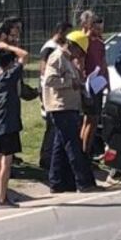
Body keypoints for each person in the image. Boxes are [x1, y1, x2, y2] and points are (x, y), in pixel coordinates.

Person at [42, 29, 99, 193]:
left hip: (69, 106)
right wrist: (71, 82)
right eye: (79, 52)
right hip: (60, 107)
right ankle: (83, 182)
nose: (79, 56)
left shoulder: (68, 59)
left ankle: (57, 182)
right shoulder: (57, 57)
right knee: (73, 145)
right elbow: (50, 80)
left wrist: (81, 84)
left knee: (60, 146)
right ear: (72, 46)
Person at [0, 45, 29, 209]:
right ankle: (2, 198)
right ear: (11, 63)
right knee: (6, 161)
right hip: (9, 123)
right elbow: (25, 55)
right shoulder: (9, 76)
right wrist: (7, 45)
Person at [38, 21, 72, 170]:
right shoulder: (50, 48)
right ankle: (46, 158)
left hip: (58, 90)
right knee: (51, 125)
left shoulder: (62, 48)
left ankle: (53, 157)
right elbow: (44, 70)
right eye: (67, 33)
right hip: (49, 90)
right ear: (60, 32)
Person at [79, 11, 108, 156]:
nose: (98, 31)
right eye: (96, 28)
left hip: (98, 84)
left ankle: (86, 151)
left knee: (93, 120)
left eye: (101, 29)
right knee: (91, 118)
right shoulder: (85, 42)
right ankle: (84, 152)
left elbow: (103, 63)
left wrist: (106, 81)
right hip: (88, 85)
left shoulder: (101, 43)